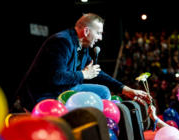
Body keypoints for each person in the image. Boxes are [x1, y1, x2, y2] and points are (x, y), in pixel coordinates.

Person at [13, 13, 150, 111]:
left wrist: (124, 89)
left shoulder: (83, 47)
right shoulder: (61, 42)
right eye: (98, 33)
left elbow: (96, 73)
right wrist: (83, 75)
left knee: (103, 92)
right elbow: (56, 77)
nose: (100, 38)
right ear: (86, 31)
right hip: (43, 94)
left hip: (65, 89)